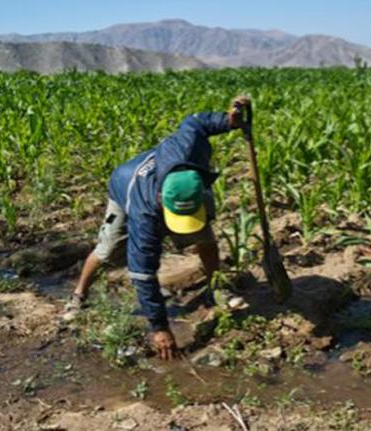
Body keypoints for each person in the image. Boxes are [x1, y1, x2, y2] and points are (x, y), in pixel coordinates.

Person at [62, 95, 251, 360]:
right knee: (107, 251)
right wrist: (159, 327)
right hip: (124, 187)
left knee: (205, 238)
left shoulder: (188, 154)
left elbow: (195, 122)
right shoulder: (143, 213)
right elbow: (142, 273)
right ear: (162, 201)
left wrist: (227, 121)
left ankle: (216, 288)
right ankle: (78, 295)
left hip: (177, 184)